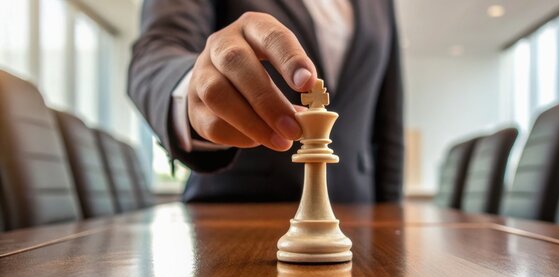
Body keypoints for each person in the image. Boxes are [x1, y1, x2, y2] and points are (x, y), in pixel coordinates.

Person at [128, 0, 404, 203]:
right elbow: (156, 51)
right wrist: (197, 88)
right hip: (234, 214)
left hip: (357, 207)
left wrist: (392, 214)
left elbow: (388, 121)